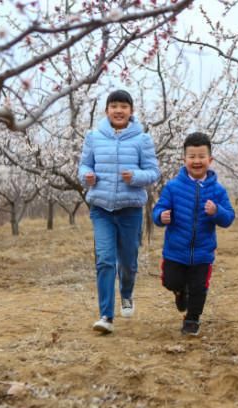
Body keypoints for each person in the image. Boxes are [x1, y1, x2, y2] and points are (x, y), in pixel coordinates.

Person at [78, 89, 160, 334]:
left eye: (124, 106)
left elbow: (154, 173)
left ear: (131, 112)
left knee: (128, 262)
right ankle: (106, 315)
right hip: (101, 208)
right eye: (114, 106)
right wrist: (86, 176)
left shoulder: (142, 139)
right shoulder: (93, 137)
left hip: (130, 210)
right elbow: (83, 166)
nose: (119, 110)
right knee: (104, 260)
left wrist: (135, 177)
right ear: (107, 111)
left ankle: (126, 293)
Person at [152, 132, 235, 336]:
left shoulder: (218, 191)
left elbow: (229, 218)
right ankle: (180, 293)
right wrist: (160, 216)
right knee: (170, 281)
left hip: (202, 253)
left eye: (201, 156)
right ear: (184, 159)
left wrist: (217, 212)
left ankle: (192, 319)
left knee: (199, 288)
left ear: (210, 159)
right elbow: (158, 209)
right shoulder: (172, 187)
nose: (196, 161)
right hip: (175, 251)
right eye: (192, 156)